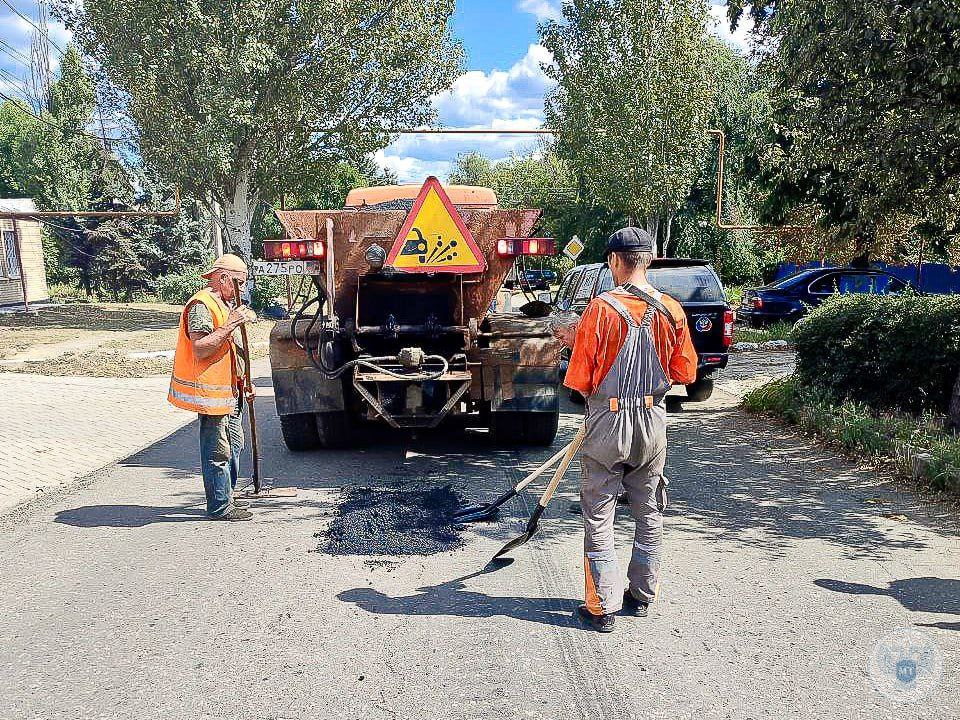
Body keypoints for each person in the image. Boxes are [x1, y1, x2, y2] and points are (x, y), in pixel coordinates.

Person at [553, 228, 698, 632]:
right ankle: (641, 596)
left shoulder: (600, 309)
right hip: (653, 423)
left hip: (608, 423)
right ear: (648, 259)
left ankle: (601, 606)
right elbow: (685, 371)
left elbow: (579, 379)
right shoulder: (671, 309)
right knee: (649, 511)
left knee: (599, 515)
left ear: (615, 261)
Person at [168, 254, 256, 521]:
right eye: (239, 283)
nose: (242, 289)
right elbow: (201, 348)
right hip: (212, 392)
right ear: (223, 278)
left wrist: (245, 383)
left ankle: (225, 496)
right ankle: (219, 506)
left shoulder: (223, 304)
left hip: (230, 391)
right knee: (218, 450)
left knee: (235, 445)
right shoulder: (201, 305)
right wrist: (231, 324)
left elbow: (232, 350)